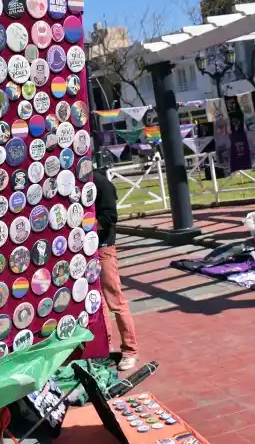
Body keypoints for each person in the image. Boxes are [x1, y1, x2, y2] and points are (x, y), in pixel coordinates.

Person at [92, 135, 139, 371]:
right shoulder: (70, 184)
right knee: (96, 303)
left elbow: (110, 217)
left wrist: (85, 227)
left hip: (102, 248)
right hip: (83, 253)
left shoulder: (100, 182)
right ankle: (104, 348)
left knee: (114, 300)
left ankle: (130, 350)